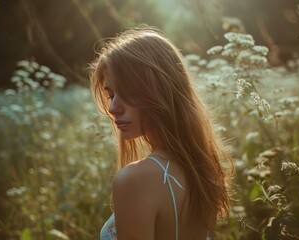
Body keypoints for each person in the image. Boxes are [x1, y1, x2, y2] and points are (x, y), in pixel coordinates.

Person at [89, 26, 232, 240]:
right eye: (111, 95)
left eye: (126, 91)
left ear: (157, 90)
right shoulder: (202, 168)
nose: (113, 108)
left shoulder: (134, 179)